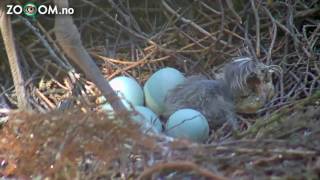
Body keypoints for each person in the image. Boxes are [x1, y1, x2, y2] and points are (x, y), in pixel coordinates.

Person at [163, 57, 280, 130]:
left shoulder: (202, 84)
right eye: (254, 83)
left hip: (172, 113)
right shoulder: (223, 107)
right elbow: (233, 129)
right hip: (178, 122)